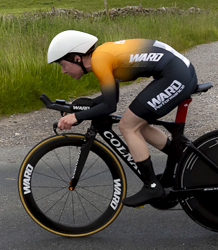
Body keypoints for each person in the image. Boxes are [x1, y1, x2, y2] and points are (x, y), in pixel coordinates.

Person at [47, 30, 198, 207]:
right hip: (178, 70)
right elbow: (110, 98)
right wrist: (77, 110)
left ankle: (152, 185)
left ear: (76, 58)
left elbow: (110, 106)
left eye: (62, 65)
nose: (63, 71)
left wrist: (77, 116)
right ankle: (183, 157)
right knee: (138, 124)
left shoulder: (99, 60)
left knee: (128, 125)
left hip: (176, 75)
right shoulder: (103, 56)